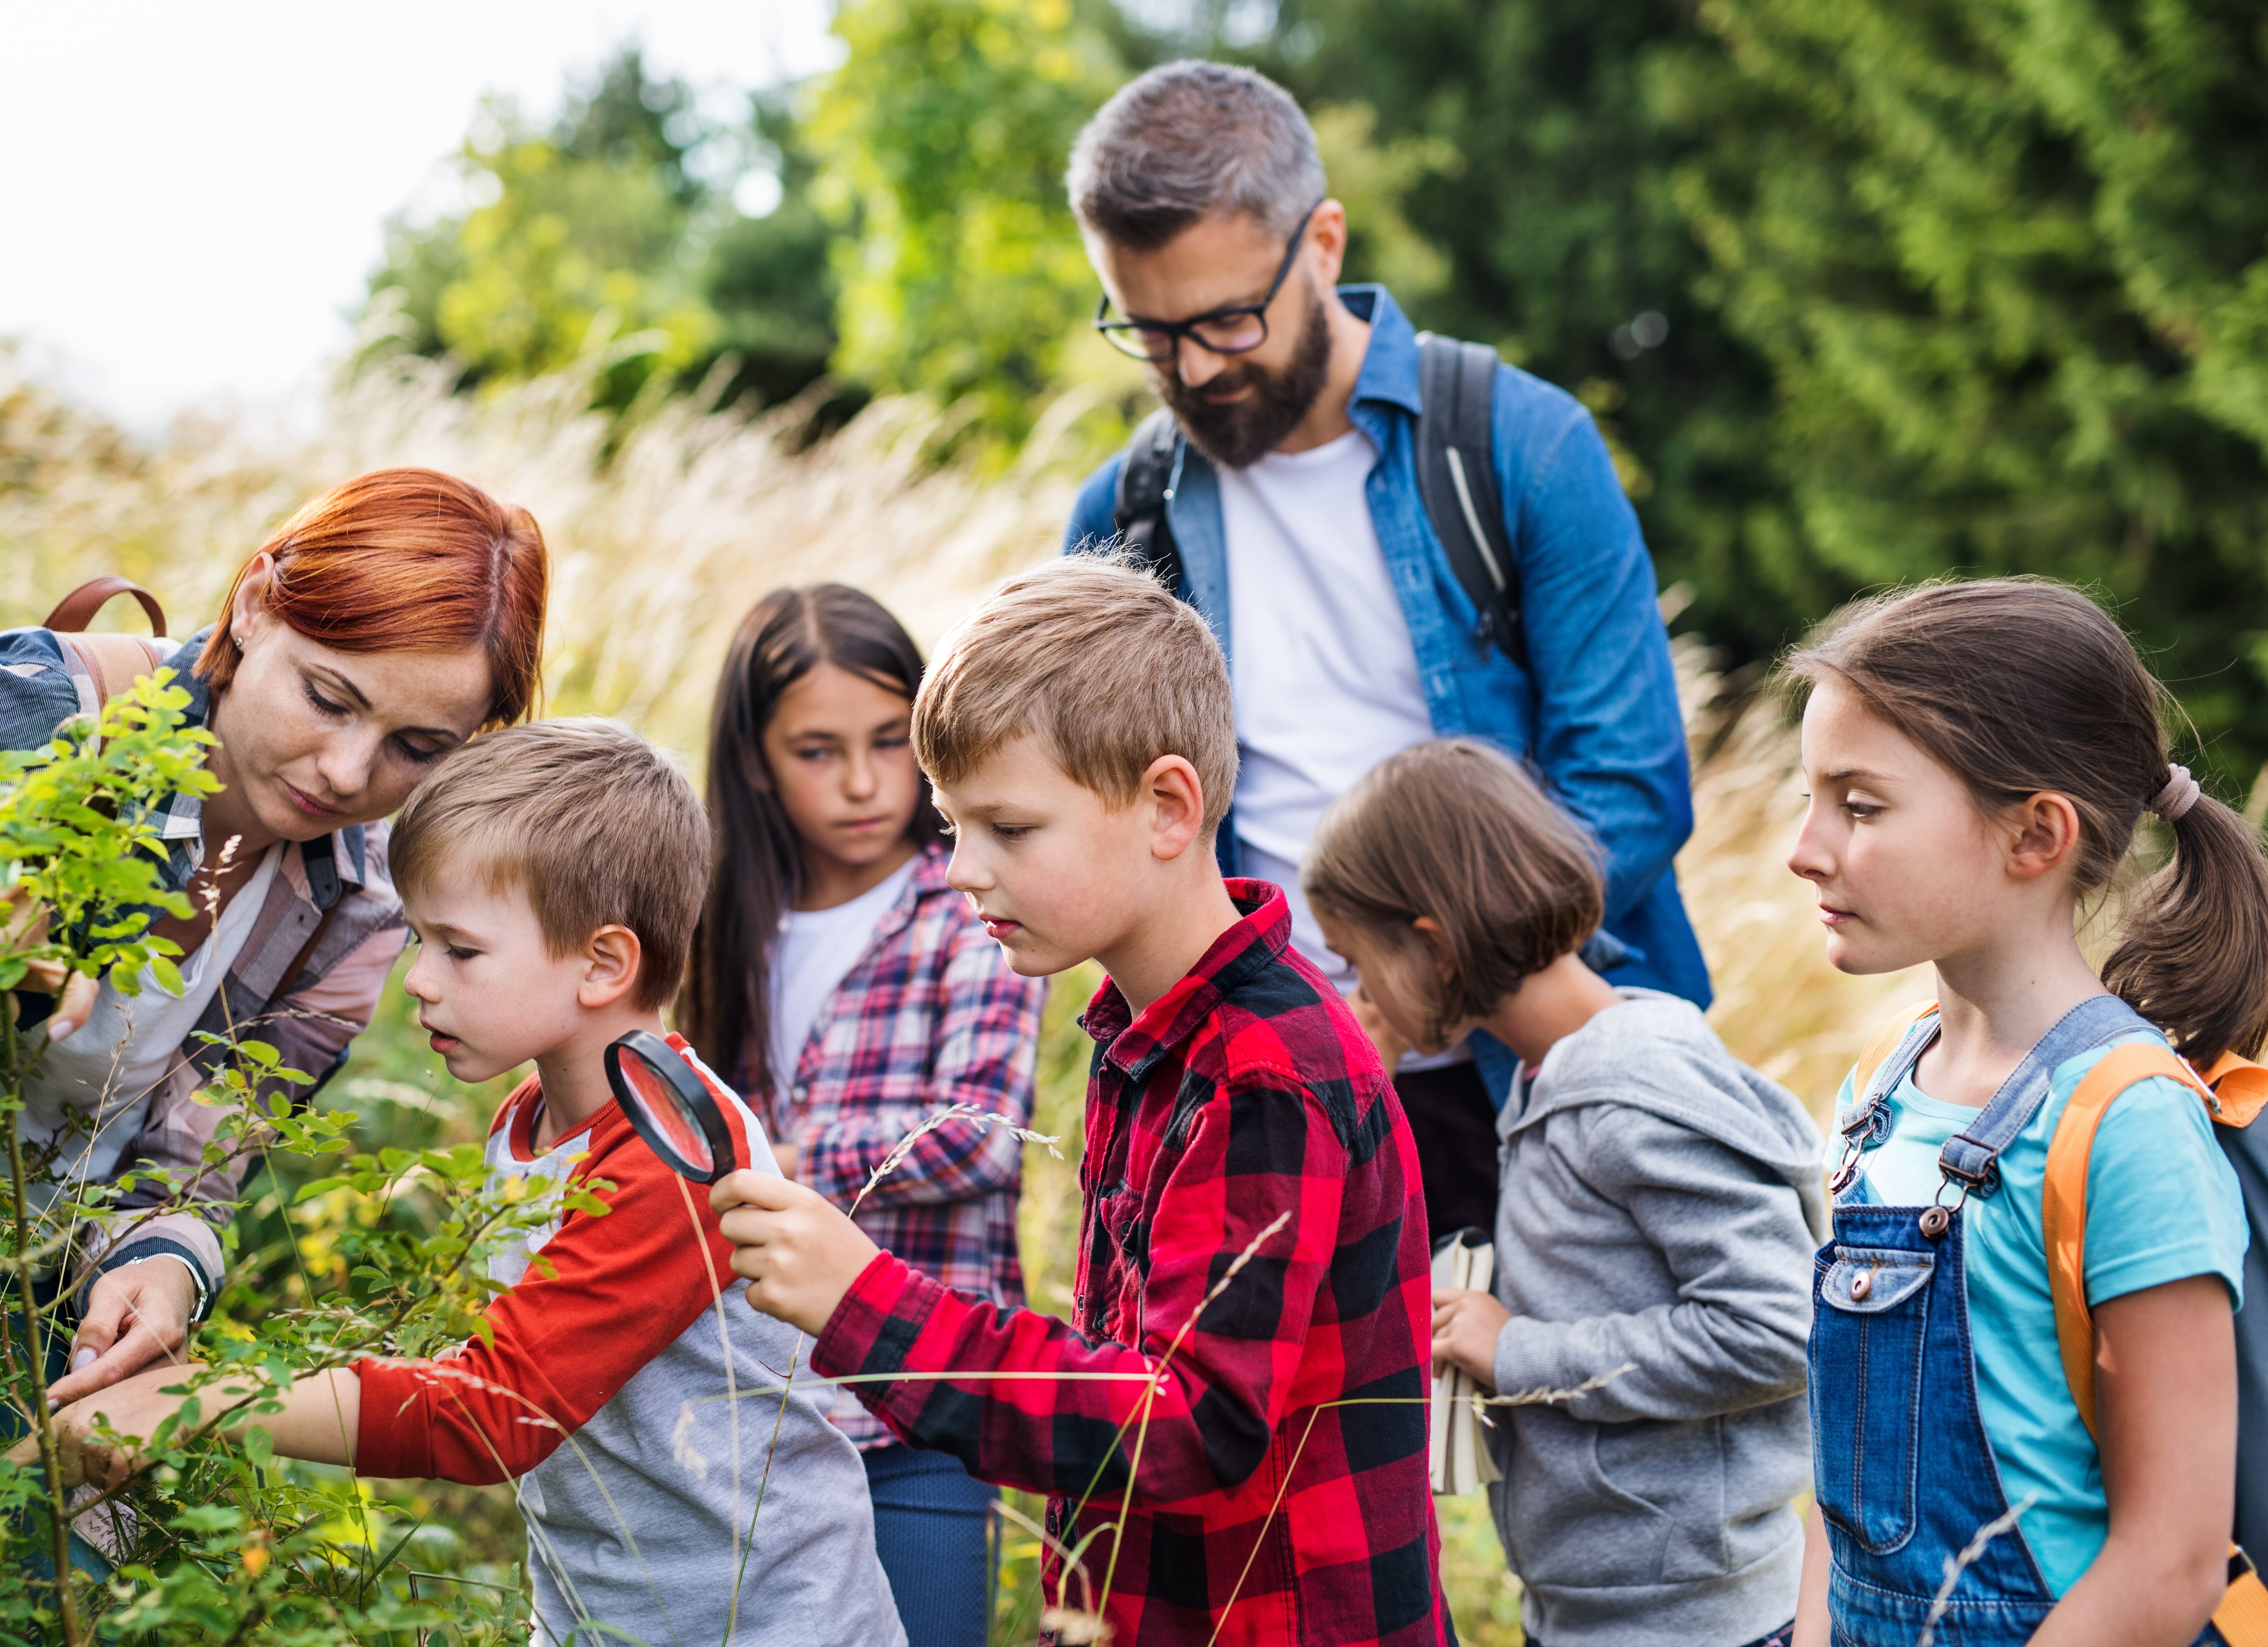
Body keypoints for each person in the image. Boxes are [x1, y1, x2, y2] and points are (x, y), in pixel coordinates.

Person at [0, 468, 546, 1625]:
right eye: (330, 697)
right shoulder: (63, 712)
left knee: (68, 1594)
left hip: (34, 1288)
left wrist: (165, 1263)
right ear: (255, 605)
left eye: (414, 745)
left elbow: (201, 1154)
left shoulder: (357, 899)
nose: (349, 774)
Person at [711, 556, 1449, 1646]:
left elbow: (1186, 1420)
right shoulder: (1145, 1034)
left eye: (1009, 829)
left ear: (1164, 805)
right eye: (955, 824)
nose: (962, 869)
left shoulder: (1264, 1072)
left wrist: (865, 1303)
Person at [38, 719, 905, 1646]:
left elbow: (499, 1411)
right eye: (418, 938)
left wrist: (206, 1394)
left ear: (604, 963)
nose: (419, 979)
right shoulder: (529, 1118)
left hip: (767, 1624)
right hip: (600, 1616)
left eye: (460, 948)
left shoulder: (674, 1148)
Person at [1060, 61, 1707, 1242]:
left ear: (1322, 241)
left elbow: (1630, 789)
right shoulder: (1123, 515)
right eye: (1149, 335)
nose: (1193, 370)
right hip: (1260, 1090)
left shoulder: (1520, 445)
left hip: (1536, 1080)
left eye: (1224, 322)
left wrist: (1407, 1000)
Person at [1784, 579, 2251, 1646]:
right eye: (1808, 798)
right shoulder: (1878, 1090)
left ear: (2035, 832)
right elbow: (1843, 1490)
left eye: (1859, 805)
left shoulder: (2126, 1119)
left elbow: (2170, 1562)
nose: (1807, 849)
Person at [1302, 738, 1819, 1647]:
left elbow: (1778, 1325)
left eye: (1356, 960)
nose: (1359, 992)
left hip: (1694, 1622)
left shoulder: (1630, 1094)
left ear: (1433, 946)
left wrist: (1524, 1349)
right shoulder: (1550, 1083)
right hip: (1596, 1607)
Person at [677, 583, 1043, 1647]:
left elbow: (981, 1132)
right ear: (755, 760)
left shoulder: (971, 903)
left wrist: (784, 1160)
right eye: (818, 751)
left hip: (918, 1401)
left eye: (892, 742)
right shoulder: (723, 919)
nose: (865, 783)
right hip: (759, 1407)